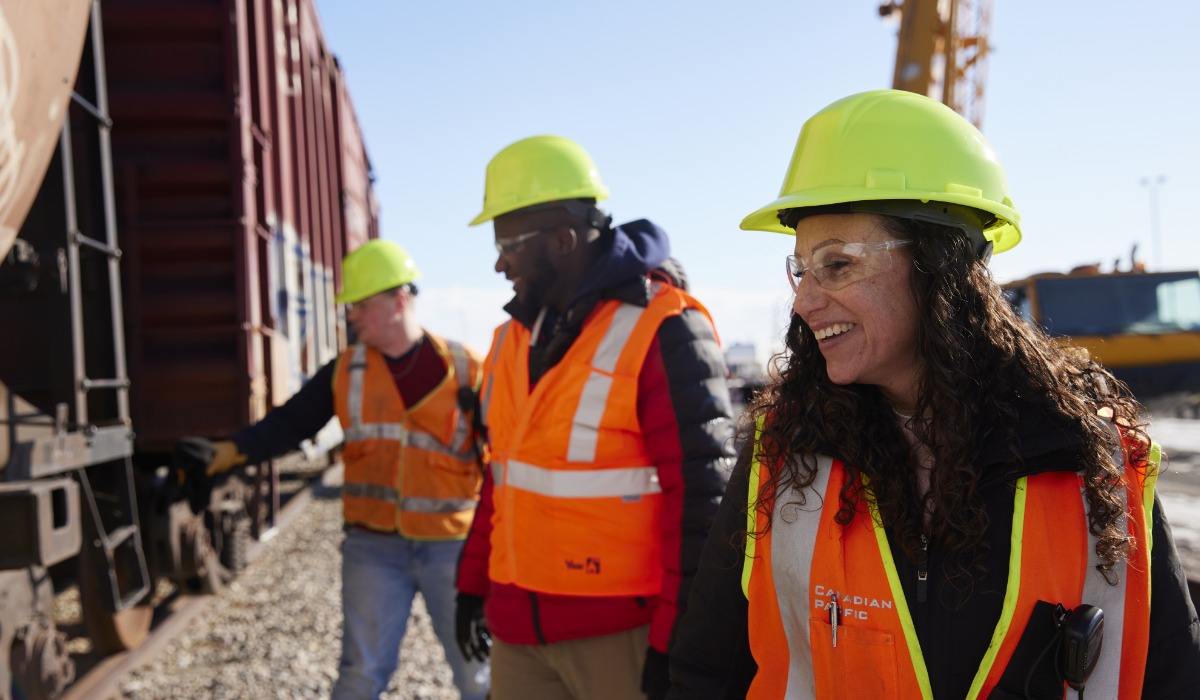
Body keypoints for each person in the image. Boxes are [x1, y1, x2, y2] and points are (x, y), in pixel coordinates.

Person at [667, 89, 1200, 699]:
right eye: (801, 268)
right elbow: (706, 673)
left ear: (938, 266)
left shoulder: (1096, 460)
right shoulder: (781, 455)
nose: (803, 301)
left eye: (836, 265)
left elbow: (1173, 678)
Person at [454, 135, 735, 700]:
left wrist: (678, 639)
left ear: (563, 240)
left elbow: (704, 502)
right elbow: (502, 477)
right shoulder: (510, 340)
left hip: (621, 637)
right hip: (519, 634)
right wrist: (472, 586)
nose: (498, 261)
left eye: (508, 243)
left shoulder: (664, 327)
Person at [174, 239, 490, 700]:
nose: (352, 315)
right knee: (360, 674)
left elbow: (501, 458)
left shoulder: (468, 369)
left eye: (361, 305)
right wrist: (230, 451)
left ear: (399, 301)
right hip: (374, 546)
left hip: (451, 547)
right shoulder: (347, 371)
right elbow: (290, 424)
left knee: (476, 671)